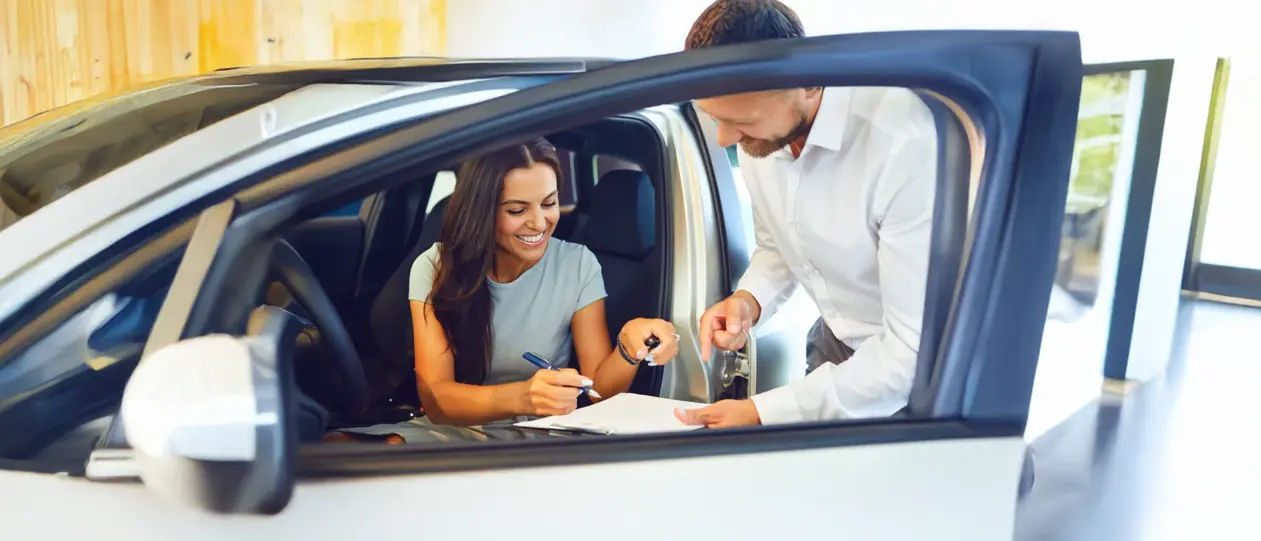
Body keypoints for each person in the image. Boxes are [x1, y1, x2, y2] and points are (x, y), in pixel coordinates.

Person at [674, 0, 938, 428]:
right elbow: (778, 245)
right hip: (833, 344)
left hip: (918, 366)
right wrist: (748, 300)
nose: (725, 138)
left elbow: (910, 352)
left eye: (743, 120)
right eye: (713, 117)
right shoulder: (762, 139)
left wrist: (761, 412)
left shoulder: (902, 145)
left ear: (810, 84)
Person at [329, 138, 679, 443]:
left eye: (549, 203)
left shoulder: (578, 264)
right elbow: (437, 400)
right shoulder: (436, 266)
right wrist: (523, 396)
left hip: (543, 432)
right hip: (459, 427)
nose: (539, 223)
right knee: (334, 449)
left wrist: (629, 347)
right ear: (482, 212)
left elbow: (599, 394)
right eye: (517, 210)